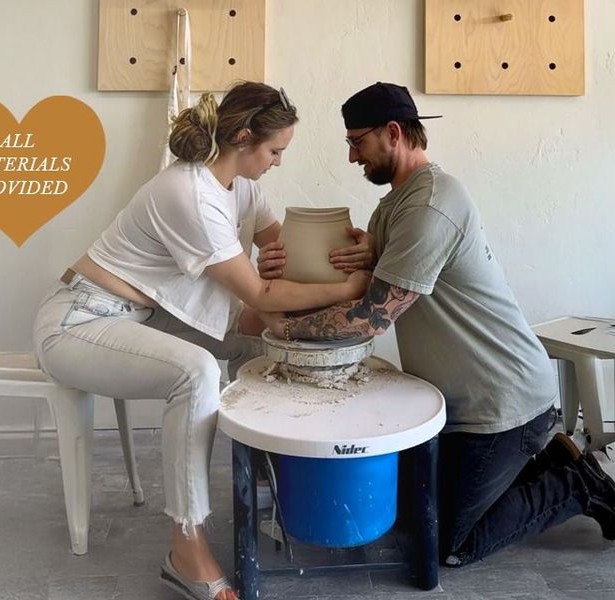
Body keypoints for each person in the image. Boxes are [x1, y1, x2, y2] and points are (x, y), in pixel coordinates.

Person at [32, 82, 371, 600]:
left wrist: (354, 250)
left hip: (144, 316)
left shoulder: (243, 187)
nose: (279, 162)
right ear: (243, 137)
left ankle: (276, 486)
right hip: (79, 322)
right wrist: (348, 289)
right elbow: (259, 290)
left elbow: (284, 251)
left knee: (264, 345)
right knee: (197, 372)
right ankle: (185, 548)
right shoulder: (188, 192)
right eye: (275, 151)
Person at [256, 81, 615, 567]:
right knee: (409, 514)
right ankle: (552, 459)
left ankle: (576, 483)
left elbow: (371, 317)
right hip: (466, 402)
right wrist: (287, 266)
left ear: (393, 132)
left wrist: (282, 327)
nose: (352, 156)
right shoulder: (397, 204)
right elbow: (364, 285)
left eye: (357, 142)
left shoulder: (430, 205)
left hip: (500, 406)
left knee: (443, 544)